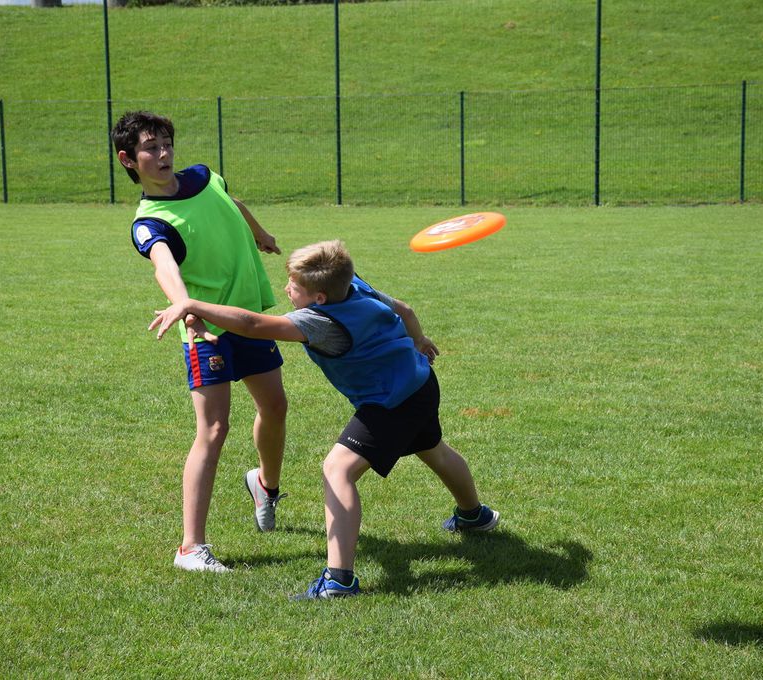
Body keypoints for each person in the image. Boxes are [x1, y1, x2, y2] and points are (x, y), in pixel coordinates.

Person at [149, 240, 500, 598]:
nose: (286, 289)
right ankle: (475, 515)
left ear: (318, 297)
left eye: (294, 287)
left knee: (338, 469)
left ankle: (338, 580)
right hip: (420, 382)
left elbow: (252, 324)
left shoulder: (320, 320)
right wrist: (419, 340)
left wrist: (190, 303)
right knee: (431, 448)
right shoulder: (353, 285)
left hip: (391, 401)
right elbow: (406, 310)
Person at [111, 110, 289, 573]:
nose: (164, 153)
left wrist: (260, 233)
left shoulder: (206, 177)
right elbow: (163, 264)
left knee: (275, 406)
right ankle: (191, 548)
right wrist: (184, 303)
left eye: (167, 143)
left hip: (247, 317)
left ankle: (265, 486)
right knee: (212, 430)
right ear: (128, 160)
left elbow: (231, 200)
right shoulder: (149, 221)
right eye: (151, 148)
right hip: (205, 329)